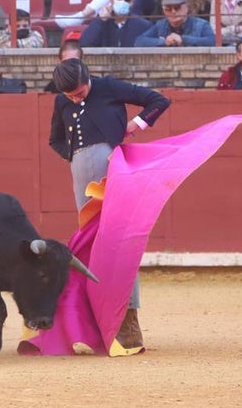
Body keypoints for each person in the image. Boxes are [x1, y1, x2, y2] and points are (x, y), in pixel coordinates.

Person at [48, 57, 170, 353]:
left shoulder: (108, 88)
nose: (76, 98)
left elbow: (158, 100)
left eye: (80, 92)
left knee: (118, 243)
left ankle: (128, 322)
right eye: (70, 96)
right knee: (92, 246)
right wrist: (76, 157)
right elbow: (55, 140)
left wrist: (133, 126)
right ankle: (97, 322)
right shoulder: (62, 102)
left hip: (113, 171)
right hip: (81, 177)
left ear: (88, 77)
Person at [78, 0, 150, 48]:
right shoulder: (100, 22)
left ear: (132, 2)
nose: (123, 1)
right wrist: (101, 20)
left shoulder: (143, 26)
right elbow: (85, 44)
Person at [134, 0, 214, 47]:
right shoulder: (160, 25)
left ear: (187, 8)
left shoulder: (201, 25)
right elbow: (139, 41)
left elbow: (212, 41)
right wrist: (164, 42)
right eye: (168, 9)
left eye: (177, 7)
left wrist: (183, 39)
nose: (173, 12)